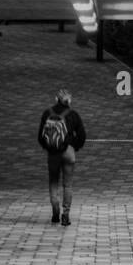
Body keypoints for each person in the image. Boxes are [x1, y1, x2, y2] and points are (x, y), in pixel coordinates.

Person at [36, 88, 87, 225]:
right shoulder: (73, 114)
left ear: (56, 99)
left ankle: (55, 212)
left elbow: (40, 136)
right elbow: (82, 136)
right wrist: (73, 145)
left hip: (53, 153)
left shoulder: (47, 113)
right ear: (69, 101)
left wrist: (49, 146)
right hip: (68, 152)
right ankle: (66, 215)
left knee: (53, 182)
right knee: (67, 185)